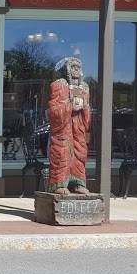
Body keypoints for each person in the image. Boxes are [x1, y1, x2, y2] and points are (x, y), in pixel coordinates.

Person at [48, 57, 91, 195]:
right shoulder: (58, 85)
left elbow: (87, 112)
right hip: (64, 128)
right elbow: (54, 110)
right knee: (62, 152)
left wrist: (84, 106)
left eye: (78, 67)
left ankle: (79, 183)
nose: (76, 70)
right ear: (66, 69)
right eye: (73, 67)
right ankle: (59, 184)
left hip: (78, 126)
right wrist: (70, 105)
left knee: (80, 153)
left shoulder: (85, 87)